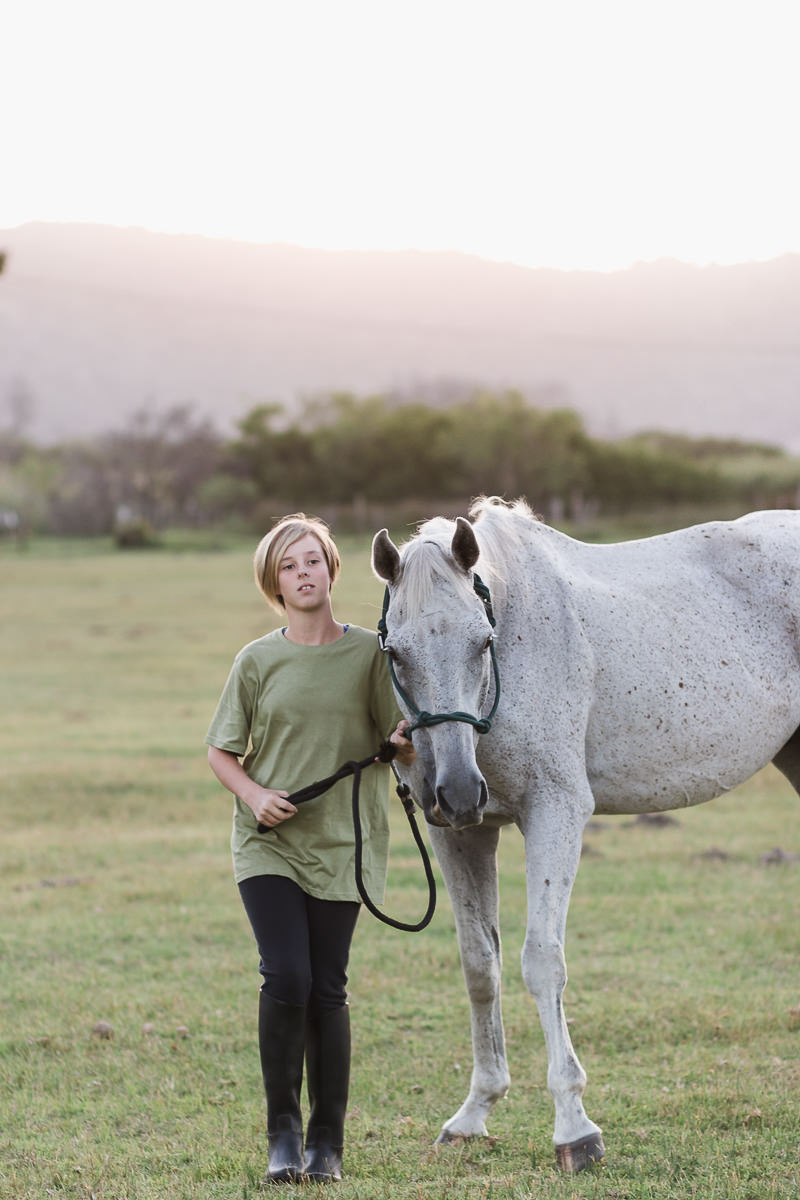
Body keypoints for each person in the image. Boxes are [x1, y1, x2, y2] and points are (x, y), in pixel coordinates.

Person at [205, 514, 415, 1185]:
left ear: (331, 570)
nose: (303, 573)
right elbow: (220, 750)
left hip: (342, 845)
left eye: (313, 561)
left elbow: (398, 731)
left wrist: (406, 741)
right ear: (274, 582)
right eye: (289, 565)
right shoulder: (256, 660)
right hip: (269, 845)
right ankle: (283, 1134)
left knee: (327, 989)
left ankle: (327, 1143)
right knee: (287, 976)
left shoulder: (371, 655)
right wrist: (253, 793)